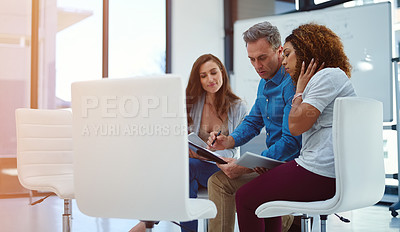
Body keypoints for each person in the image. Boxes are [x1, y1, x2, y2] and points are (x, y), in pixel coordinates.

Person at [234, 23, 356, 232]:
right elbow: (258, 120)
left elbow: (296, 126)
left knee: (244, 197)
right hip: (324, 170)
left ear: (307, 52)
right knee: (263, 198)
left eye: (288, 54)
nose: (284, 60)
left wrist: (298, 91)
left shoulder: (326, 77)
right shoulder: (327, 78)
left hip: (320, 172)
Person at [129, 53, 247, 232]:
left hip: (221, 169)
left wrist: (208, 156)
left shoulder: (238, 107)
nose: (210, 79)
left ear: (222, 72)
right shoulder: (194, 103)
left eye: (213, 72)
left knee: (186, 168)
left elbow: (232, 151)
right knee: (186, 174)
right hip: (193, 168)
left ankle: (146, 222)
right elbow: (179, 139)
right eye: (203, 76)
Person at [206, 21, 302, 232]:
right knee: (218, 182)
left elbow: (291, 142)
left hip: (289, 168)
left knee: (239, 190)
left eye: (262, 58)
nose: (257, 65)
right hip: (269, 167)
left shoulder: (292, 84)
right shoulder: (264, 82)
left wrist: (245, 165)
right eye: (251, 59)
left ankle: (284, 216)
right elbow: (253, 120)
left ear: (279, 51)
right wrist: (229, 140)